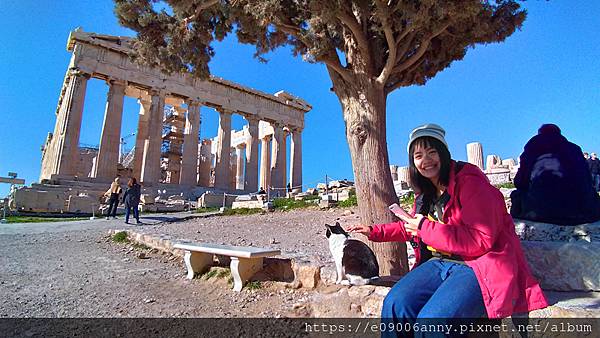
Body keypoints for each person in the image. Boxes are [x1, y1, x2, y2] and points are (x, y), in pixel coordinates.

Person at [347, 124, 547, 335]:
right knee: (395, 304)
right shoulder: (426, 193)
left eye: (432, 152)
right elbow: (413, 226)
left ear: (443, 153)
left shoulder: (472, 185)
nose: (426, 160)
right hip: (437, 263)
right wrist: (375, 231)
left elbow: (480, 240)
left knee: (431, 323)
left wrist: (424, 227)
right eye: (418, 155)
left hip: (477, 266)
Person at [510, 124, 600, 225]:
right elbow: (587, 179)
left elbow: (521, 182)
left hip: (542, 212)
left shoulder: (531, 149)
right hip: (582, 211)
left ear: (540, 134)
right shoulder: (575, 149)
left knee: (517, 195)